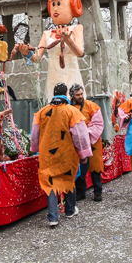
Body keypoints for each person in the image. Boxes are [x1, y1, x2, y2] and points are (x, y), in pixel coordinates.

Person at [30, 83, 92, 227]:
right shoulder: (72, 111)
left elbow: (35, 134)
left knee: (50, 183)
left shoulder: (42, 112)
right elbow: (80, 136)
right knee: (68, 180)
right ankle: (69, 210)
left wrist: (35, 148)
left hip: (47, 155)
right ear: (66, 94)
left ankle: (53, 217)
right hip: (67, 153)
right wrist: (83, 153)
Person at [17, 0, 85, 100]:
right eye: (53, 4)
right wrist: (26, 52)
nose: (55, 8)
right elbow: (37, 58)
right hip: (53, 77)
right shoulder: (47, 34)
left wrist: (68, 40)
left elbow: (80, 53)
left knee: (74, 107)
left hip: (71, 75)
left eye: (59, 3)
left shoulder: (76, 29)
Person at [70, 84, 105, 202]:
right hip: (77, 143)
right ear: (72, 96)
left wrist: (85, 133)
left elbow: (98, 123)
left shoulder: (91, 106)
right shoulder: (69, 108)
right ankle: (81, 192)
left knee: (95, 167)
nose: (80, 97)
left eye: (81, 94)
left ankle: (98, 191)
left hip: (92, 141)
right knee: (80, 168)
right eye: (77, 95)